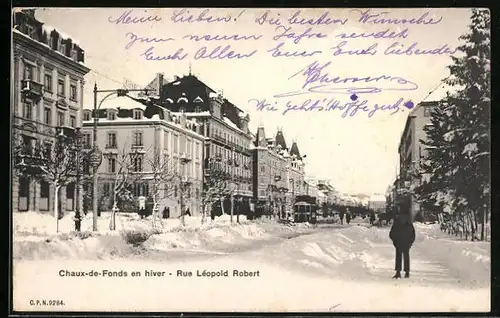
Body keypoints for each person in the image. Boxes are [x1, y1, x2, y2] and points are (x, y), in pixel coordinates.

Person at [389, 213, 416, 279]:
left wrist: (395, 241)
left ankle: (398, 272)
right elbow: (413, 235)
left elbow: (391, 234)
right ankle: (407, 272)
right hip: (406, 243)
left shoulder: (396, 223)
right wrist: (410, 242)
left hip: (398, 243)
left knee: (398, 257)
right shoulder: (409, 224)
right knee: (406, 257)